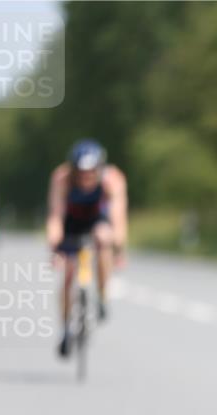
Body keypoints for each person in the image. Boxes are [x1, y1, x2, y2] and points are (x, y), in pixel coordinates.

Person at [45, 139, 128, 357]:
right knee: (68, 275)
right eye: (81, 173)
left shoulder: (113, 179)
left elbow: (118, 219)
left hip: (97, 220)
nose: (86, 178)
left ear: (100, 169)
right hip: (71, 222)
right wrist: (55, 246)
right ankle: (64, 330)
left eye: (91, 173)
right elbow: (55, 216)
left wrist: (117, 247)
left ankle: (102, 294)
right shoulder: (61, 178)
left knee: (103, 238)